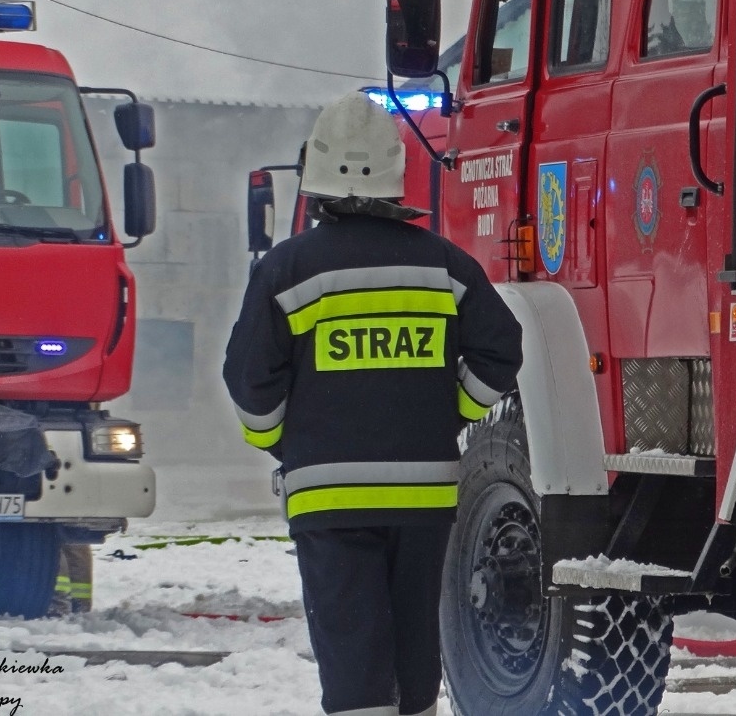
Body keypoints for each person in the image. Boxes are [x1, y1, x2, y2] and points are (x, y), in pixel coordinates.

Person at [223, 91, 523, 716]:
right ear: (395, 175)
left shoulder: (286, 271)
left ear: (315, 180)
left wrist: (285, 441)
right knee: (415, 664)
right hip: (423, 497)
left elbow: (248, 380)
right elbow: (502, 349)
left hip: (329, 499)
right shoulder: (444, 265)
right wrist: (454, 415)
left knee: (355, 670)